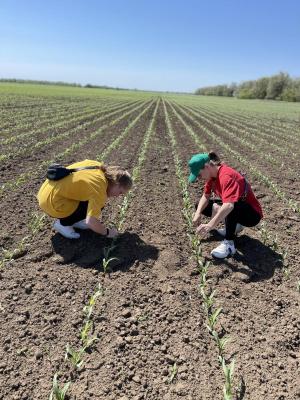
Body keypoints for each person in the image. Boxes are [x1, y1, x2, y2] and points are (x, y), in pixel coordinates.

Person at [189, 152, 263, 259]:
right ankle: (234, 226)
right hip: (237, 209)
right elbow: (206, 196)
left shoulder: (226, 176)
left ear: (207, 167)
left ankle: (229, 244)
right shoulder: (212, 176)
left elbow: (229, 205)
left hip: (252, 215)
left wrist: (210, 225)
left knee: (231, 205)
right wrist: (197, 213)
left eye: (199, 175)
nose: (199, 178)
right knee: (201, 205)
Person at [37, 159, 132, 239]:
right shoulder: (99, 188)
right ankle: (63, 224)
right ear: (117, 183)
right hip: (52, 204)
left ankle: (75, 221)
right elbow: (91, 221)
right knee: (98, 205)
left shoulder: (97, 166)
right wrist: (107, 232)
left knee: (88, 198)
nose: (118, 196)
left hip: (45, 191)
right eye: (120, 192)